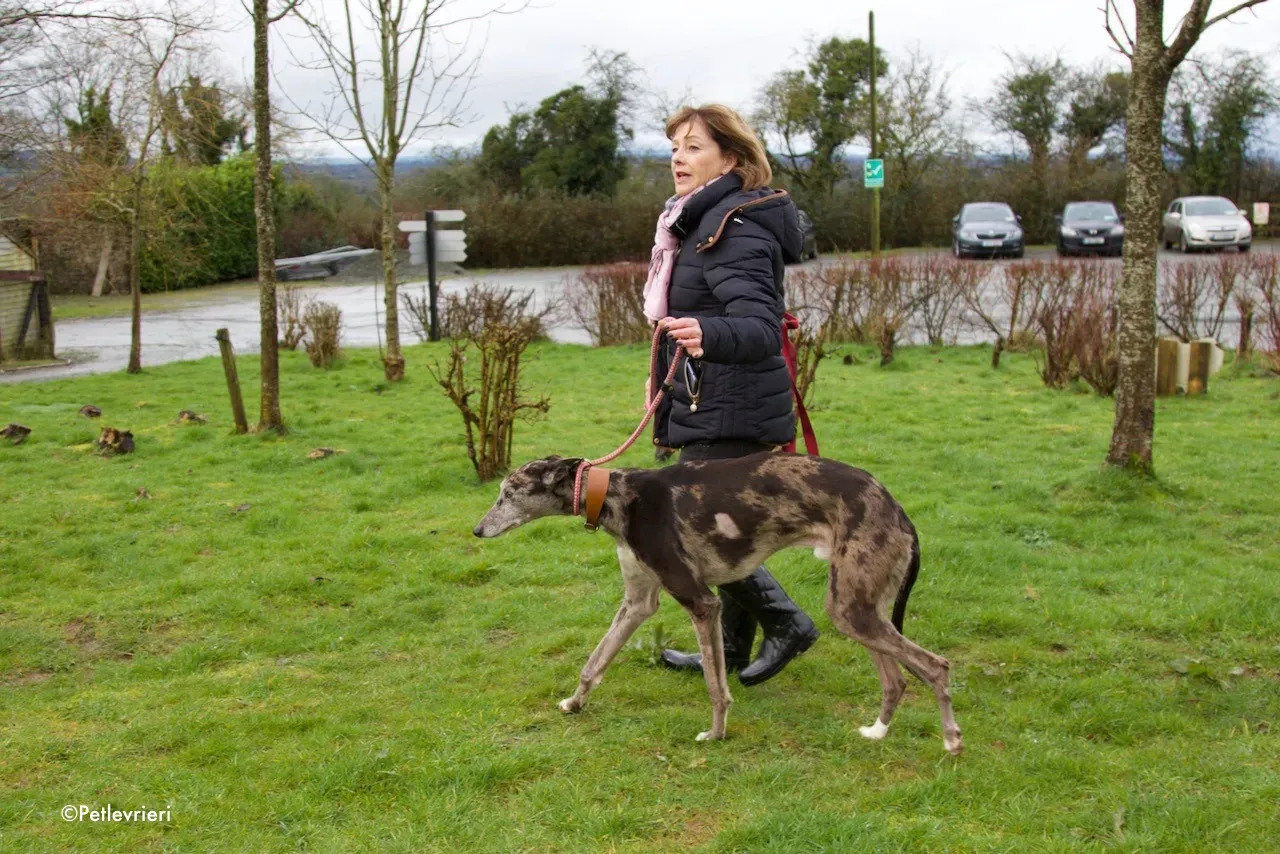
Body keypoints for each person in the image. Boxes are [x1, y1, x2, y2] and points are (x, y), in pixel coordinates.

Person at [644, 103, 818, 686]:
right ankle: (731, 649)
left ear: (733, 159)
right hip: (713, 397)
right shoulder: (698, 222)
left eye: (694, 146)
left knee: (697, 528)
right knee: (720, 526)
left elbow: (761, 326)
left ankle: (788, 622)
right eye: (675, 146)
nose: (678, 157)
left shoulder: (732, 228)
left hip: (731, 405)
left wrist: (707, 332)